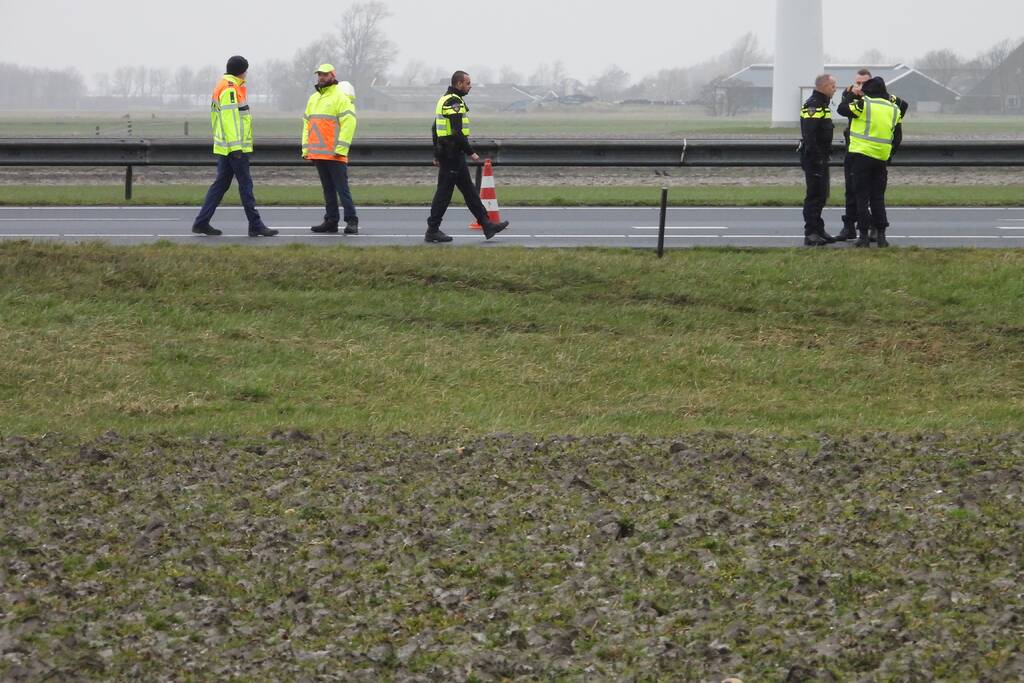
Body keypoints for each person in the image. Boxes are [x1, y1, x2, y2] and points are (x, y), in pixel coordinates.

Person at [192, 55, 277, 238]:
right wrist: (236, 148)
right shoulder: (231, 89)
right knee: (246, 186)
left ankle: (201, 222)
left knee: (220, 185)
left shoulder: (224, 85)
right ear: (242, 71)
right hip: (234, 149)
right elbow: (230, 120)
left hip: (226, 148)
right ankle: (256, 225)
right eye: (246, 70)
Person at [425, 70, 510, 243]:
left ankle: (487, 224)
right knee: (444, 193)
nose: (470, 86)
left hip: (450, 153)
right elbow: (457, 132)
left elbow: (435, 128)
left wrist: (436, 152)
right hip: (452, 154)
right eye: (468, 83)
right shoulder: (454, 102)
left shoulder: (444, 99)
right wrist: (471, 152)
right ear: (459, 84)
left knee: (470, 191)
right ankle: (432, 230)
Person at [837, 69, 910, 242]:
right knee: (853, 191)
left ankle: (867, 231)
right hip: (859, 150)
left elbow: (842, 109)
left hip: (864, 152)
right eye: (858, 82)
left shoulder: (875, 101)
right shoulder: (851, 93)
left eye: (863, 83)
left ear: (871, 84)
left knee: (864, 195)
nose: (860, 86)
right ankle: (853, 227)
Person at [303, 64, 360, 235]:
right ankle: (331, 221)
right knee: (328, 189)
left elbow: (349, 123)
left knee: (342, 190)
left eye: (325, 74)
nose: (321, 77)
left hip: (335, 153)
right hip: (319, 153)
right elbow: (307, 124)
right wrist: (306, 149)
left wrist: (341, 148)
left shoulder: (340, 97)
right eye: (319, 74)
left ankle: (352, 221)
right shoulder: (313, 98)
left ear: (333, 76)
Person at [799, 74, 838, 247]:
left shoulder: (823, 104)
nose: (835, 89)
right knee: (814, 196)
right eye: (832, 86)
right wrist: (816, 158)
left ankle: (819, 229)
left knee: (822, 195)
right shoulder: (813, 105)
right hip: (814, 158)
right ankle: (811, 233)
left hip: (821, 157)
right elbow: (810, 135)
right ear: (823, 86)